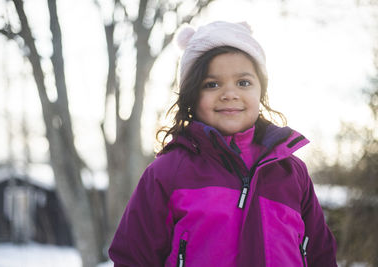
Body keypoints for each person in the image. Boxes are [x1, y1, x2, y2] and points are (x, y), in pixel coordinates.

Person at [109, 21, 337, 266]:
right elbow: (133, 257)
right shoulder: (167, 172)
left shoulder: (291, 172)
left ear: (261, 91)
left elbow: (320, 254)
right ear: (191, 95)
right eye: (212, 84)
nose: (230, 93)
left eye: (243, 83)